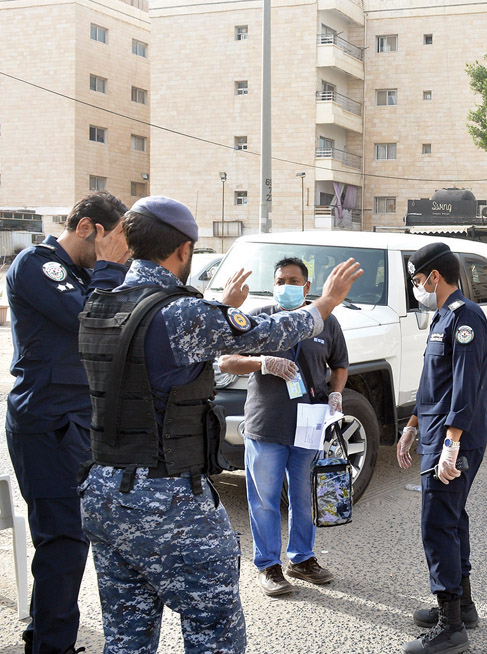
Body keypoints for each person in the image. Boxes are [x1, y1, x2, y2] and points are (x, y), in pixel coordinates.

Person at [76, 196, 362, 654]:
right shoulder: (182, 312)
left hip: (105, 495)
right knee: (214, 634)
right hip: (167, 500)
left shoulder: (98, 304)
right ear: (184, 250)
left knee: (127, 637)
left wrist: (222, 307)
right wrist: (326, 301)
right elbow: (267, 332)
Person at [5, 190, 130, 654]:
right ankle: (52, 646)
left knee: (65, 538)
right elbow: (90, 321)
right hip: (47, 420)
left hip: (74, 421)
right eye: (113, 241)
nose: (118, 253)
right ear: (85, 228)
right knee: (64, 540)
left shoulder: (83, 273)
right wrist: (110, 271)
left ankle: (44, 638)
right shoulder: (39, 265)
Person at [218, 257, 349, 597]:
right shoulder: (259, 318)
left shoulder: (325, 321)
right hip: (267, 423)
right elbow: (226, 359)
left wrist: (336, 394)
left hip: (308, 424)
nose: (285, 286)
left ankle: (302, 559)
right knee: (264, 498)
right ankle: (268, 566)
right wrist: (262, 362)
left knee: (303, 496)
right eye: (280, 280)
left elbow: (339, 365)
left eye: (293, 280)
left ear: (307, 286)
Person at [397, 242, 487, 654]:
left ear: (435, 276)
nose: (418, 287)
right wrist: (413, 425)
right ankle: (462, 605)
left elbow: (468, 384)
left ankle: (451, 629)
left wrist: (450, 443)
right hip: (437, 432)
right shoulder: (442, 318)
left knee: (437, 524)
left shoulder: (465, 318)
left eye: (418, 280)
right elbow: (433, 382)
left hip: (455, 438)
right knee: (452, 518)